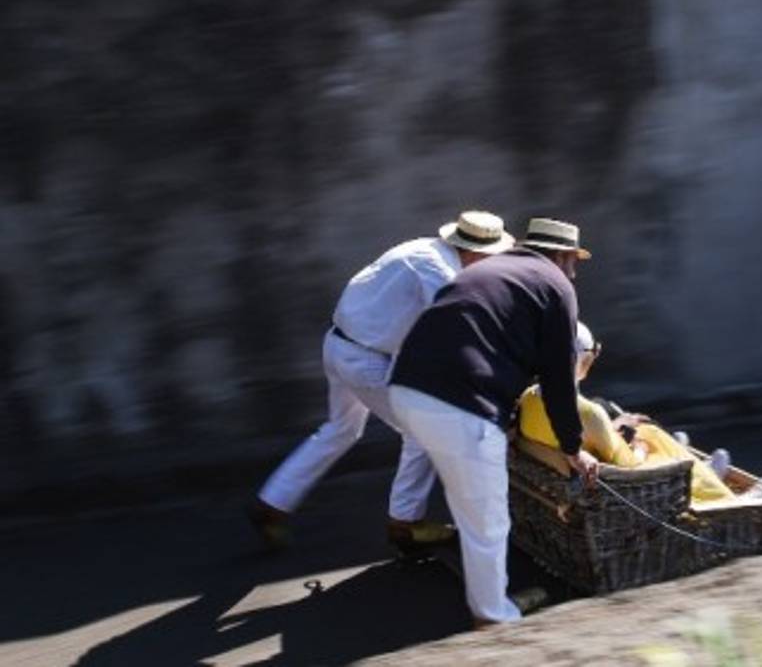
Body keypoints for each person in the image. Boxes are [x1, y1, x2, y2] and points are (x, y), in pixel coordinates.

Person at [249, 210, 515, 550]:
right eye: (491, 258)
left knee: (340, 429)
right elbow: (458, 330)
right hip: (366, 359)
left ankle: (271, 503)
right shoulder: (440, 273)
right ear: (475, 253)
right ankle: (406, 523)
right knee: (424, 430)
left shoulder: (424, 249)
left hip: (339, 343)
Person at [387, 217, 598, 626]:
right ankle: (494, 615)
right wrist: (572, 447)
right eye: (574, 261)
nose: (574, 271)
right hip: (459, 404)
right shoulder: (557, 286)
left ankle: (483, 595)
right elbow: (558, 378)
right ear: (563, 257)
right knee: (488, 518)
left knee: (469, 503)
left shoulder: (488, 269)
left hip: (406, 389)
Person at [517, 322, 737, 506]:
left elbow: (573, 437)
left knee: (642, 431)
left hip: (564, 474)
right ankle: (711, 486)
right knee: (650, 435)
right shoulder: (589, 414)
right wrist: (640, 449)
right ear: (584, 363)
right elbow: (628, 467)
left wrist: (611, 427)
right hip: (620, 488)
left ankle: (696, 466)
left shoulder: (528, 397)